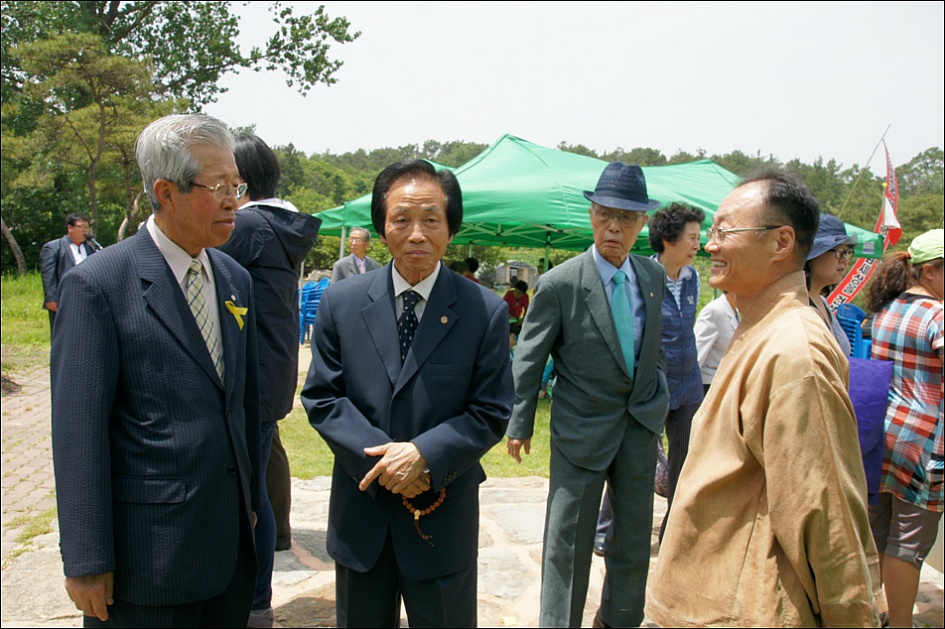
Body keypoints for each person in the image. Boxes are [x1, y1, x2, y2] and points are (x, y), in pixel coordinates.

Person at [50, 113, 261, 626]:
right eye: (218, 186)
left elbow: (244, 405)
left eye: (236, 185)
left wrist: (252, 505)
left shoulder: (234, 278)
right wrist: (86, 561)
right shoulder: (99, 285)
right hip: (149, 562)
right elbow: (78, 432)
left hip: (229, 554)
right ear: (166, 192)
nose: (233, 200)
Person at [646, 169, 882, 627]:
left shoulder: (795, 351)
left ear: (781, 242)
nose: (710, 245)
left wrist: (854, 617)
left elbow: (825, 512)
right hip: (710, 600)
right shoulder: (760, 326)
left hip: (744, 609)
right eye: (710, 233)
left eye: (725, 232)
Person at [301, 159, 513, 627]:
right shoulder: (342, 302)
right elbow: (323, 397)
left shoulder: (484, 311)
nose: (416, 234)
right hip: (363, 515)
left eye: (431, 219)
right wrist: (386, 465)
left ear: (451, 229)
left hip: (441, 518)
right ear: (381, 228)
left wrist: (423, 455)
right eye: (402, 219)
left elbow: (491, 410)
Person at [507, 162, 668, 628]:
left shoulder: (652, 277)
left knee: (633, 538)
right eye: (605, 214)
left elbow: (654, 345)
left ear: (642, 223)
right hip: (580, 428)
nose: (614, 227)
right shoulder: (561, 282)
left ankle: (620, 619)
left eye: (626, 217)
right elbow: (529, 358)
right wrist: (520, 422)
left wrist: (656, 397)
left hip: (638, 426)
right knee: (568, 540)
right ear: (592, 215)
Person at [217, 134, 321, 628]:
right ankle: (256, 598)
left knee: (248, 495)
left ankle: (255, 602)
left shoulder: (249, 225)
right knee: (256, 482)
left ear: (238, 179)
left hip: (250, 376)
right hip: (273, 370)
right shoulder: (283, 224)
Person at [865, 228, 943, 628]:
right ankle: (900, 623)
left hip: (884, 434)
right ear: (930, 271)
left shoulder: (887, 309)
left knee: (879, 531)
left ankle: (871, 613)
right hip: (927, 443)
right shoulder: (937, 316)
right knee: (910, 542)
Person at [647, 201, 705, 541]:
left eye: (699, 237)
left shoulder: (693, 277)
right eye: (692, 237)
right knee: (639, 460)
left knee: (683, 458)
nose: (698, 244)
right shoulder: (644, 276)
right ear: (669, 239)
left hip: (689, 384)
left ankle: (672, 529)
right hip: (655, 384)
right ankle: (608, 525)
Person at [806, 213, 858, 355]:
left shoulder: (822, 301)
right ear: (812, 255)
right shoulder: (798, 306)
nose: (845, 259)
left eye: (847, 252)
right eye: (839, 251)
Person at [40, 213, 98, 330]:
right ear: (70, 228)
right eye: (81, 227)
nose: (85, 231)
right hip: (64, 301)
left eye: (87, 228)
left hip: (87, 300)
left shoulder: (90, 249)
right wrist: (51, 299)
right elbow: (49, 275)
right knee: (64, 334)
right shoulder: (53, 247)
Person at [694, 291, 738, 394]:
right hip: (708, 386)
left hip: (725, 383)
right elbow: (697, 354)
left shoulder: (735, 311)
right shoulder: (714, 311)